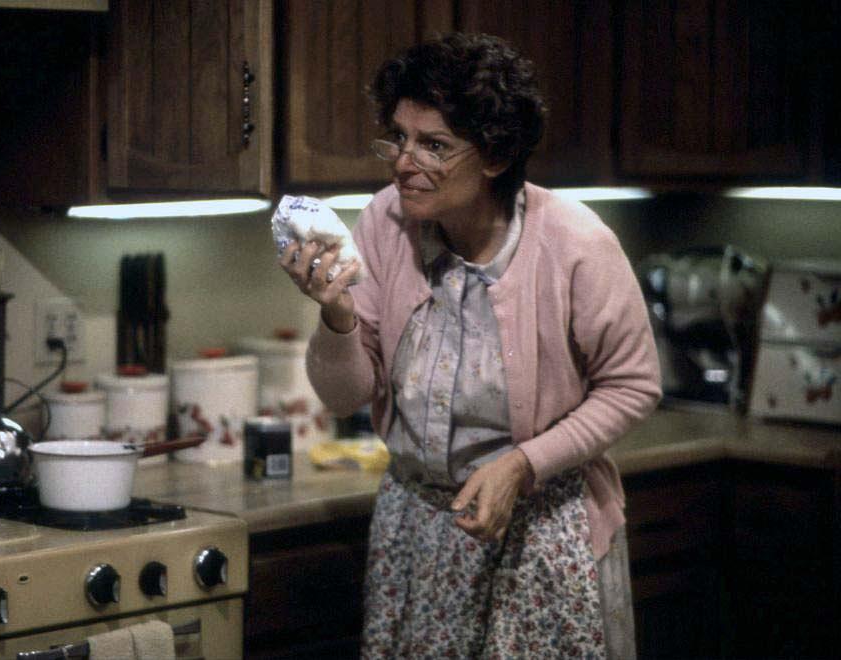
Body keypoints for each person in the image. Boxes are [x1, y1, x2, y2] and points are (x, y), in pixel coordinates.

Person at [279, 32, 660, 659]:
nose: (404, 162)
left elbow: (633, 386)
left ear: (495, 155)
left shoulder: (575, 243)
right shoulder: (385, 222)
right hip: (416, 532)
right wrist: (337, 315)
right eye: (399, 137)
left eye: (433, 145)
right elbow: (345, 397)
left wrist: (523, 464)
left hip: (541, 535)